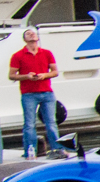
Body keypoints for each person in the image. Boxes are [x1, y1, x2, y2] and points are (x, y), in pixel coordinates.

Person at [8, 27, 63, 158]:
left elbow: (55, 72)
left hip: (47, 92)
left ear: (37, 38)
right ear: (25, 39)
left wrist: (44, 75)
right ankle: (30, 151)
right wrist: (27, 76)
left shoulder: (47, 53)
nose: (31, 34)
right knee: (29, 124)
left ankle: (57, 149)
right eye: (28, 33)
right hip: (29, 93)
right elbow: (11, 75)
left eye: (33, 33)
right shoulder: (17, 56)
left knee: (51, 122)